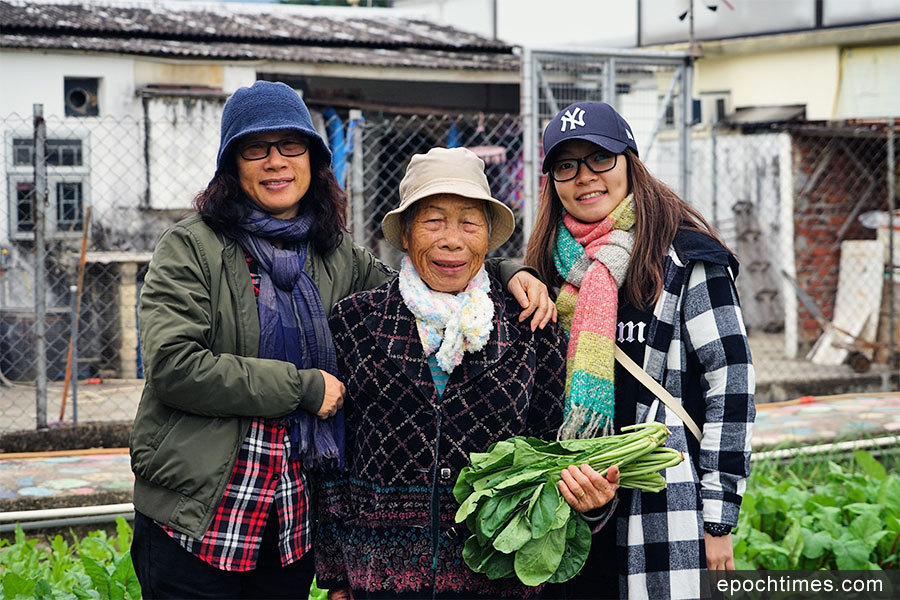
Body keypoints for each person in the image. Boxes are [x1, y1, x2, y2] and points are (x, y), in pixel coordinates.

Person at [129, 81, 556, 599]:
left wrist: (508, 272)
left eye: (291, 146)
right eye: (255, 148)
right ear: (232, 165)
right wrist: (304, 388)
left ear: (313, 160)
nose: (275, 162)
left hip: (288, 524)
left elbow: (425, 281)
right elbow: (174, 366)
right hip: (200, 522)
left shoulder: (334, 255)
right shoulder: (192, 247)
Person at [315, 147, 620, 600]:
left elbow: (560, 451)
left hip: (495, 580)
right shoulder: (355, 322)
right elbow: (334, 458)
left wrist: (591, 497)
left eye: (469, 223)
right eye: (433, 221)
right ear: (405, 233)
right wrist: (335, 574)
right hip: (379, 578)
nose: (452, 240)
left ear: (488, 238)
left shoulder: (530, 327)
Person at [526, 102, 755, 600]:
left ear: (630, 159)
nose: (585, 177)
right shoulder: (544, 270)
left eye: (600, 158)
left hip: (662, 507)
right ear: (552, 180)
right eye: (567, 165)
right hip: (569, 511)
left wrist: (718, 520)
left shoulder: (686, 257)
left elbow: (730, 382)